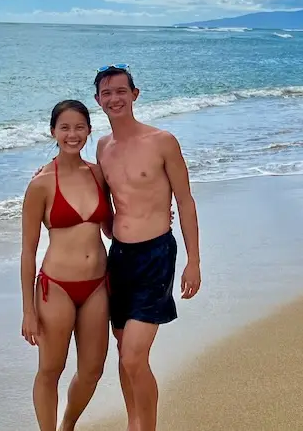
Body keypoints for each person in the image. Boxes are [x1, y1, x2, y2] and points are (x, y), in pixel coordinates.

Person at [93, 64, 201, 431]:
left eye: (121, 91)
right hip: (119, 258)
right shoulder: (102, 147)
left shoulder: (162, 141)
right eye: (107, 93)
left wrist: (194, 261)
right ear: (98, 101)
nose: (114, 98)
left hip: (156, 255)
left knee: (134, 355)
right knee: (125, 357)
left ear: (135, 94)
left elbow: (185, 201)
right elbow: (99, 199)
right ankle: (133, 423)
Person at [20, 100, 113, 431]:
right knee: (50, 369)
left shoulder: (99, 174)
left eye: (79, 127)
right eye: (65, 128)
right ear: (53, 132)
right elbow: (27, 252)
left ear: (89, 130)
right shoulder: (41, 184)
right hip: (55, 287)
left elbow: (113, 227)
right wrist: (28, 311)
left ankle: (67, 425)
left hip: (97, 285)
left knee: (92, 370)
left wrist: (156, 216)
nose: (72, 135)